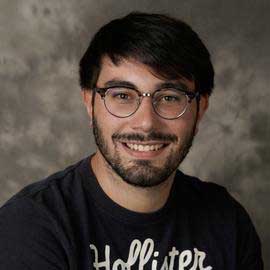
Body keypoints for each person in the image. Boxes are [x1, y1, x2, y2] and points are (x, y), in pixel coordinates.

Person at [0, 12, 263, 270]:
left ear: (200, 109)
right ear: (90, 103)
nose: (146, 122)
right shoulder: (31, 225)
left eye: (170, 97)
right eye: (123, 95)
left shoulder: (228, 222)